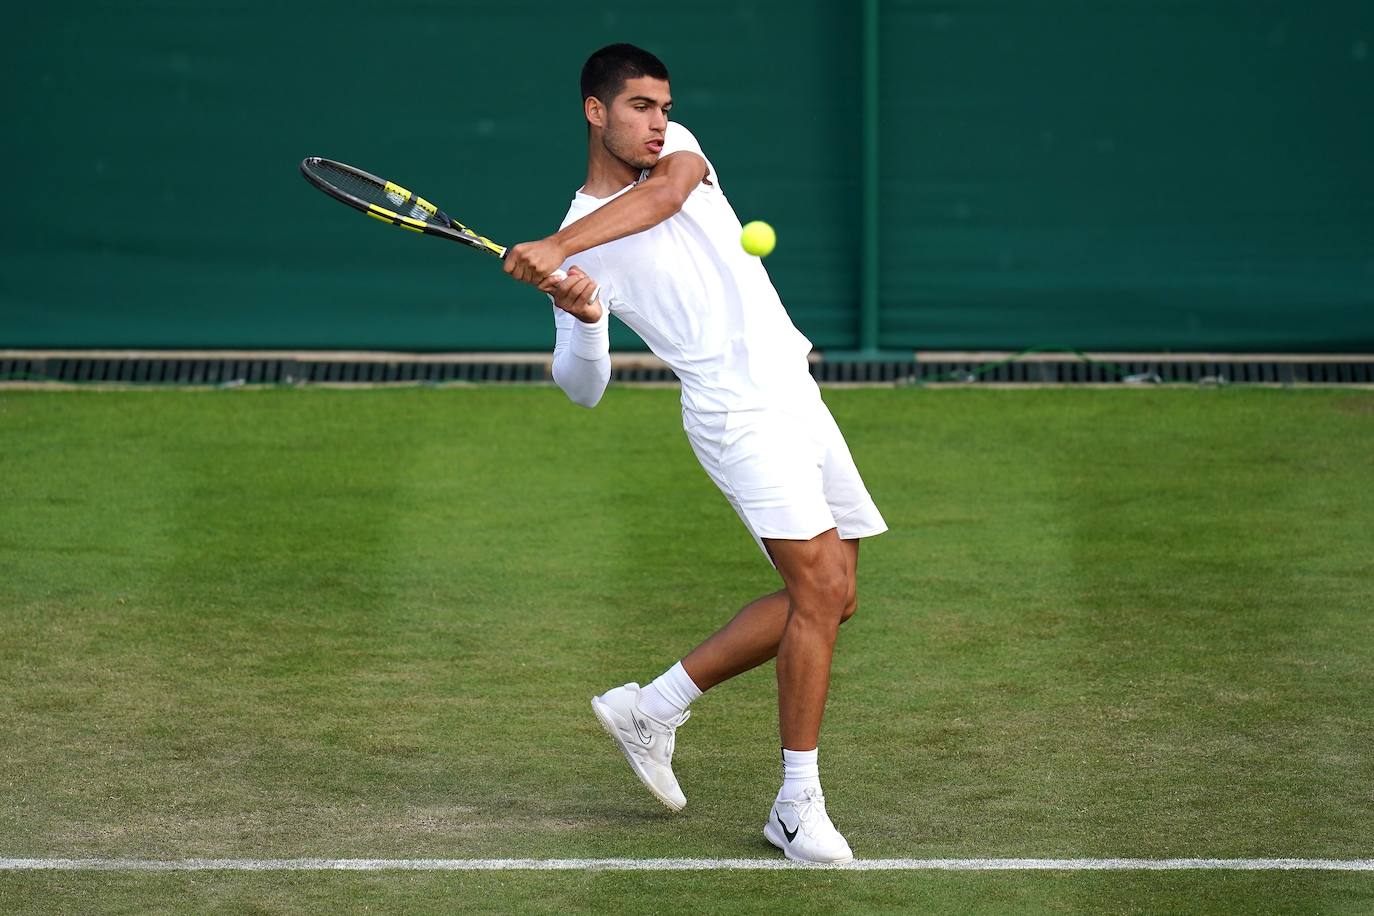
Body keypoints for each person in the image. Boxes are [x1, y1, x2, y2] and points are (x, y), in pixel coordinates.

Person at [503, 43, 887, 865]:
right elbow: (582, 387)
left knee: (836, 596)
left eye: (663, 106)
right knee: (818, 587)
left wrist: (559, 245)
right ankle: (796, 802)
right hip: (731, 412)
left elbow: (670, 195)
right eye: (639, 106)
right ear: (594, 111)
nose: (658, 121)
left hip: (794, 388)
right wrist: (585, 310)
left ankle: (654, 707)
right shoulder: (581, 239)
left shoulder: (672, 158)